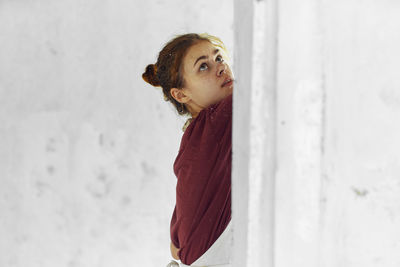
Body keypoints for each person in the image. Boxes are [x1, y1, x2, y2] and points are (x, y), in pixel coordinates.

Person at [142, 33, 234, 267]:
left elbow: (176, 246)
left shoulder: (195, 138)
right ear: (181, 94)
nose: (221, 68)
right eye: (203, 66)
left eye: (219, 57)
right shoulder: (215, 123)